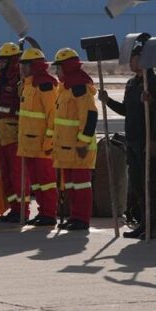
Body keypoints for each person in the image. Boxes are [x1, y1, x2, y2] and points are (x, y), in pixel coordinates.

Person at [100, 44, 156, 239]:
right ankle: (143, 223)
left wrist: (154, 138)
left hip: (148, 141)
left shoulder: (155, 82)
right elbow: (126, 111)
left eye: (133, 58)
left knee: (151, 184)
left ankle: (153, 226)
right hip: (133, 140)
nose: (130, 62)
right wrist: (108, 101)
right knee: (137, 185)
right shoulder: (131, 83)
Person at [50, 48, 98, 231]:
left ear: (67, 67)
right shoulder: (65, 88)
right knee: (70, 185)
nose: (57, 72)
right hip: (66, 148)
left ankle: (82, 219)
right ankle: (74, 216)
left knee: (81, 185)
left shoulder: (80, 88)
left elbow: (90, 116)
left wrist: (83, 143)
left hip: (79, 148)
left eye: (59, 68)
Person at [13, 47, 58, 226]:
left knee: (46, 181)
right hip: (29, 145)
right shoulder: (27, 85)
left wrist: (48, 141)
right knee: (37, 183)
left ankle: (49, 213)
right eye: (22, 65)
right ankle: (42, 211)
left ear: (35, 66)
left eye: (26, 65)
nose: (22, 68)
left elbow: (52, 116)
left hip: (42, 146)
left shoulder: (46, 85)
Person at [0, 42, 23, 222]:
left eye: (4, 60)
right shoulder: (3, 78)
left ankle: (21, 210)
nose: (1, 63)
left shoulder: (18, 79)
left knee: (16, 173)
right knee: (5, 173)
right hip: (2, 131)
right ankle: (14, 208)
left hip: (13, 131)